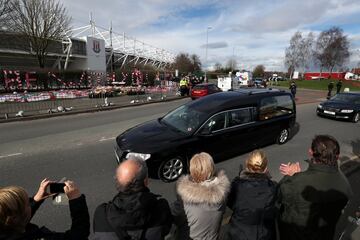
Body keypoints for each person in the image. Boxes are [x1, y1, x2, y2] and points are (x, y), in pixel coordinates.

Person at [277, 135, 353, 240]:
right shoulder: (345, 185)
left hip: (296, 235)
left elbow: (279, 195)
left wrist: (291, 176)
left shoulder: (298, 183)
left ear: (310, 152)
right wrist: (299, 176)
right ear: (338, 156)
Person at [93, 157, 172, 240]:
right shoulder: (161, 210)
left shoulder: (101, 214)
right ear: (146, 182)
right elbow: (166, 230)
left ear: (118, 183)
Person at [0, 179, 90, 240]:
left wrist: (36, 200)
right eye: (27, 203)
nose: (29, 202)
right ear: (14, 218)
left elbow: (20, 217)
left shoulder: (8, 226)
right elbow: (79, 236)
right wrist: (76, 201)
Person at [171, 152, 230, 240]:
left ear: (192, 170)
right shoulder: (222, 192)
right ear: (212, 168)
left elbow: (175, 215)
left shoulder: (185, 197)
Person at [225, 150, 277, 240]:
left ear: (247, 165)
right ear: (265, 168)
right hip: (264, 234)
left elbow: (230, 203)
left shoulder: (237, 185)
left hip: (238, 233)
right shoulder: (273, 187)